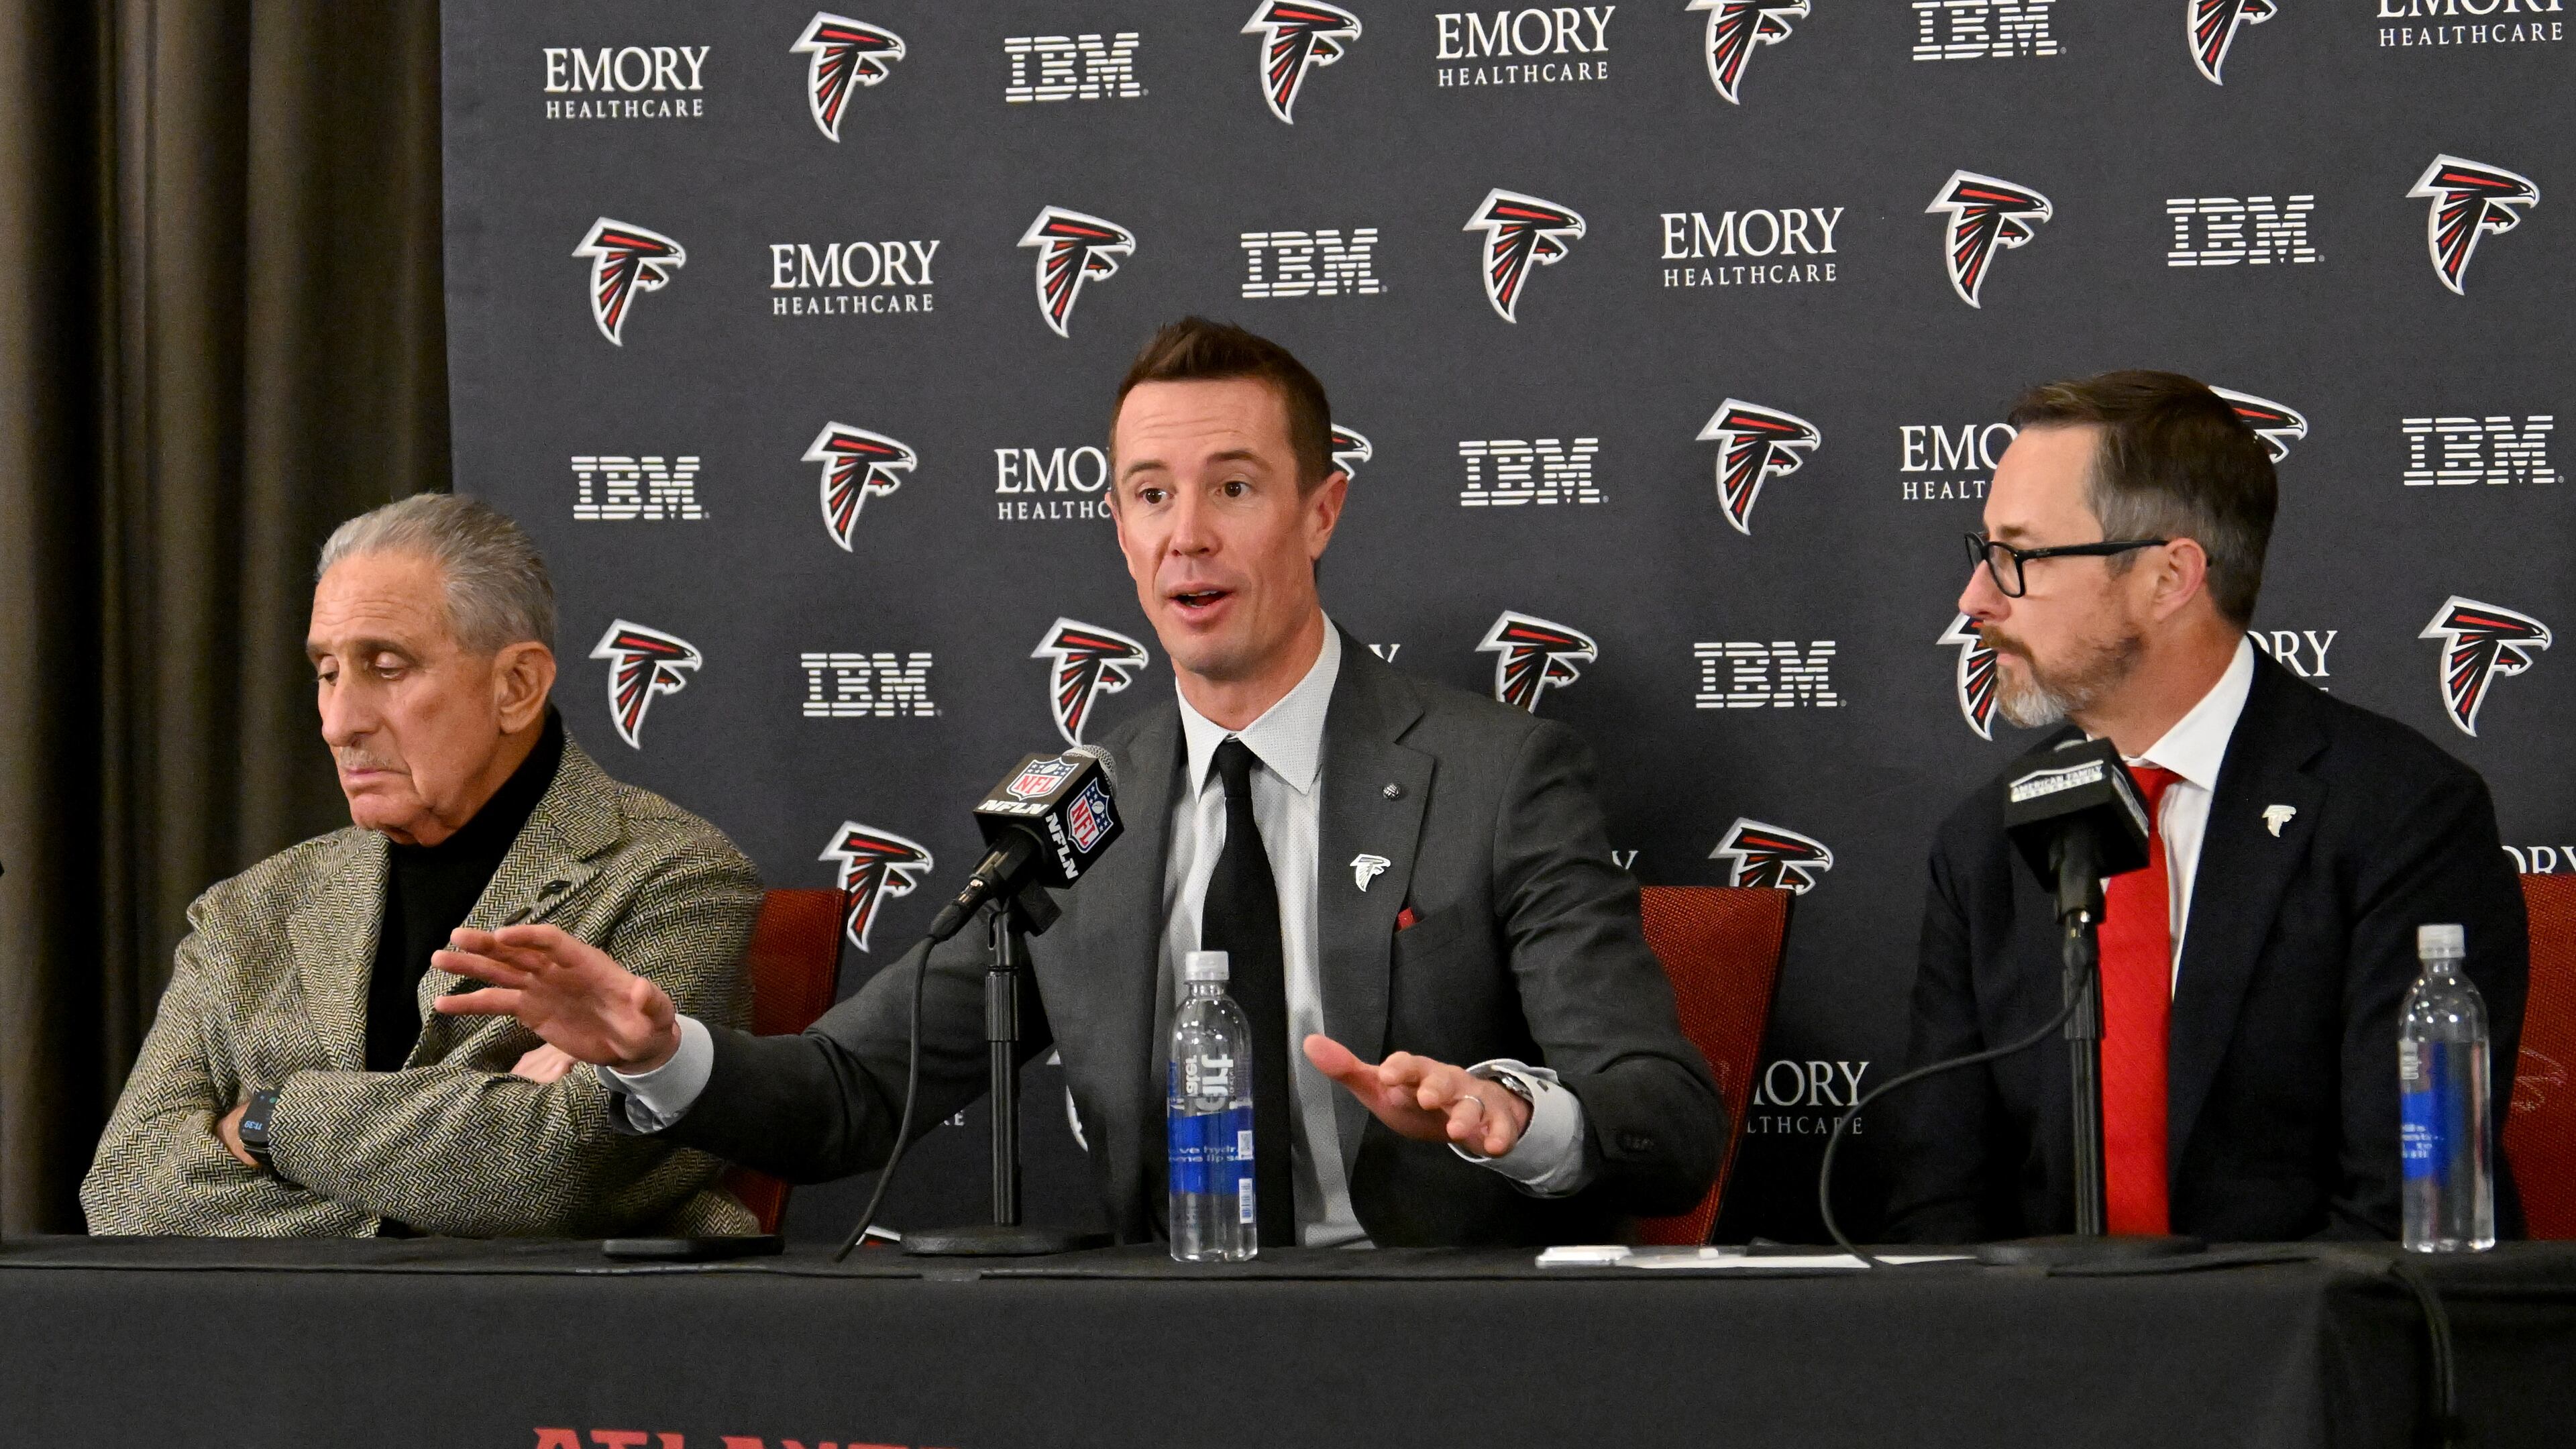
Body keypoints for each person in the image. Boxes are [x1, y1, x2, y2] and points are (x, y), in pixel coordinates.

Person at [438, 318, 1723, 1247]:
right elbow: (850, 1097)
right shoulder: (1082, 806)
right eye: (1150, 496)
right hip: (1156, 1357)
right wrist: (665, 1055)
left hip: (1439, 1354)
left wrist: (1514, 1113)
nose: (1188, 537)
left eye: (1234, 488)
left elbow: (1666, 1118)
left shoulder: (1497, 777)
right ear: (1116, 528)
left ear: (1322, 511)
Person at [1887, 371, 2527, 1243]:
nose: (1975, 601)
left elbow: (2399, 1215)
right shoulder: (1983, 842)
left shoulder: (2401, 816)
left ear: (2168, 577)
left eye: (2019, 557)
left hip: (2303, 1360)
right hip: (2043, 1361)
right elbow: (1939, 1208)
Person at [81, 494, 762, 1237]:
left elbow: (559, 1173)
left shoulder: (676, 877)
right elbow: (128, 1194)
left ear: (517, 687)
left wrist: (265, 1122)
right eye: (328, 672)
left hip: (556, 1343)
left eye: (387, 666)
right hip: (276, 1346)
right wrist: (461, 1151)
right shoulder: (247, 911)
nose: (341, 723)